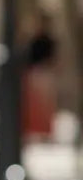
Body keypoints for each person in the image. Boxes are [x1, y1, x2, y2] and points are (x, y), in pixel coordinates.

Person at [22, 8, 58, 142]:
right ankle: (35, 129)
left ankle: (44, 131)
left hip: (44, 72)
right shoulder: (34, 39)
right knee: (35, 103)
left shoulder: (48, 39)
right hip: (35, 72)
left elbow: (52, 58)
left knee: (45, 104)